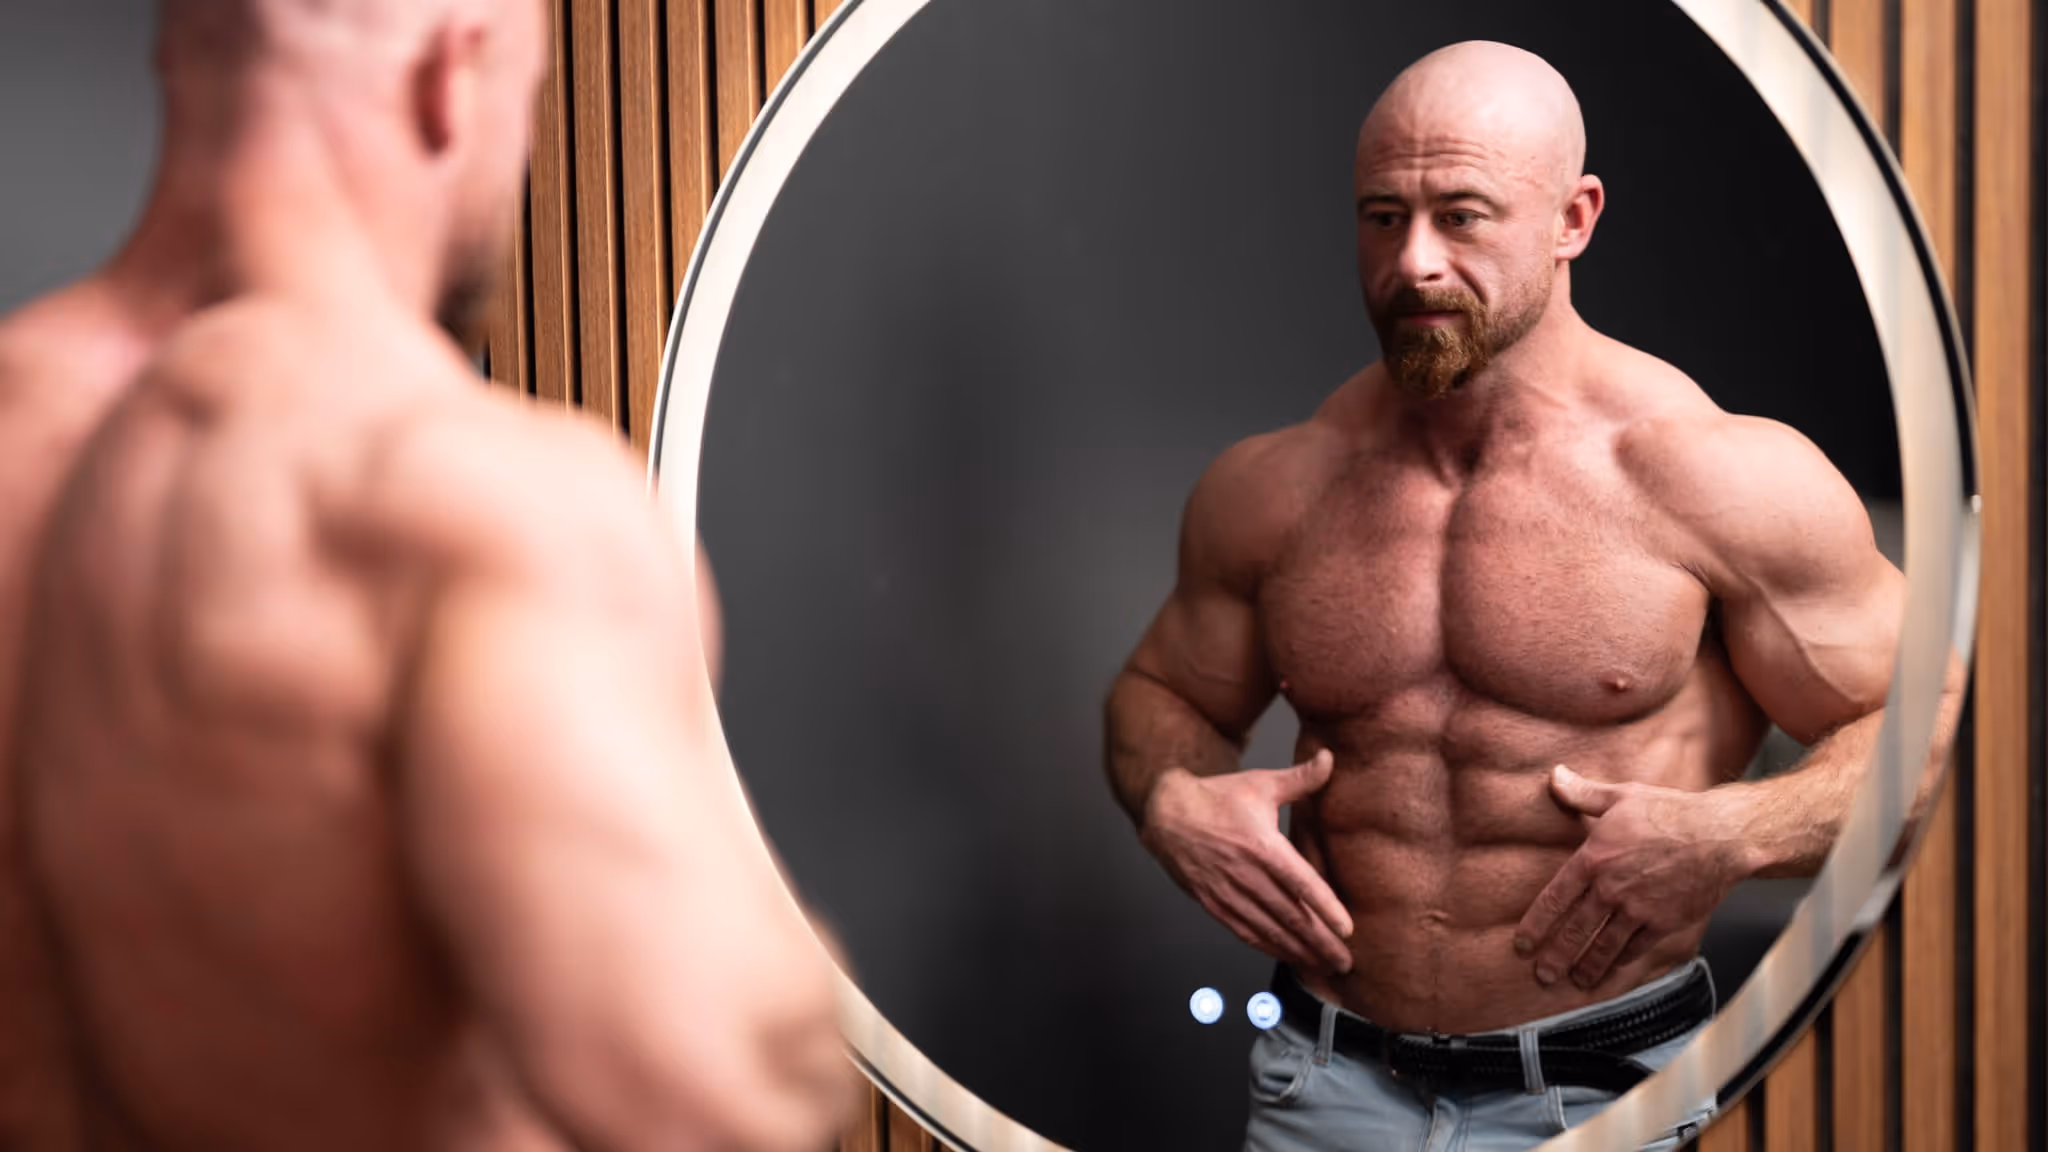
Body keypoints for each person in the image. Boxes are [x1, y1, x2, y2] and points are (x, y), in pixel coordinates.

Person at [6, 1, 851, 1149]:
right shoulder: (470, 500)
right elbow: (716, 1095)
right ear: (450, 79)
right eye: (532, 96)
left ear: (183, 52)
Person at [1104, 41, 1915, 1149]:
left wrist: (1733, 831)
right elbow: (1160, 693)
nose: (1415, 263)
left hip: (1609, 1093)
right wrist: (1170, 802)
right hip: (1322, 1087)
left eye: (1463, 215)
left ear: (1571, 220)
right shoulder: (1277, 485)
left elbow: (1931, 721)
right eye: (1382, 216)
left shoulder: (1710, 474)